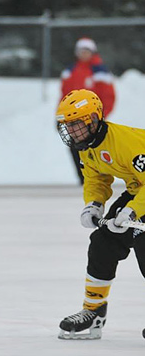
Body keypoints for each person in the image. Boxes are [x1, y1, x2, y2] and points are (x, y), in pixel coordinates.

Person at [55, 89, 145, 340]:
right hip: (139, 192)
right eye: (67, 126)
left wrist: (133, 210)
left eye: (76, 124)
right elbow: (96, 177)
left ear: (94, 119)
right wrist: (94, 203)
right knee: (103, 243)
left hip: (142, 196)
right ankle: (93, 311)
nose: (71, 131)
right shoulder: (88, 145)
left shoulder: (129, 143)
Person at [59, 37, 115, 184]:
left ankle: (99, 178)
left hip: (92, 118)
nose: (84, 54)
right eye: (81, 51)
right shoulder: (71, 71)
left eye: (87, 51)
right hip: (74, 119)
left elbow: (108, 95)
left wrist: (101, 115)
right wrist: (60, 116)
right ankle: (83, 177)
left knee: (95, 147)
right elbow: (64, 95)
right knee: (75, 146)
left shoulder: (100, 71)